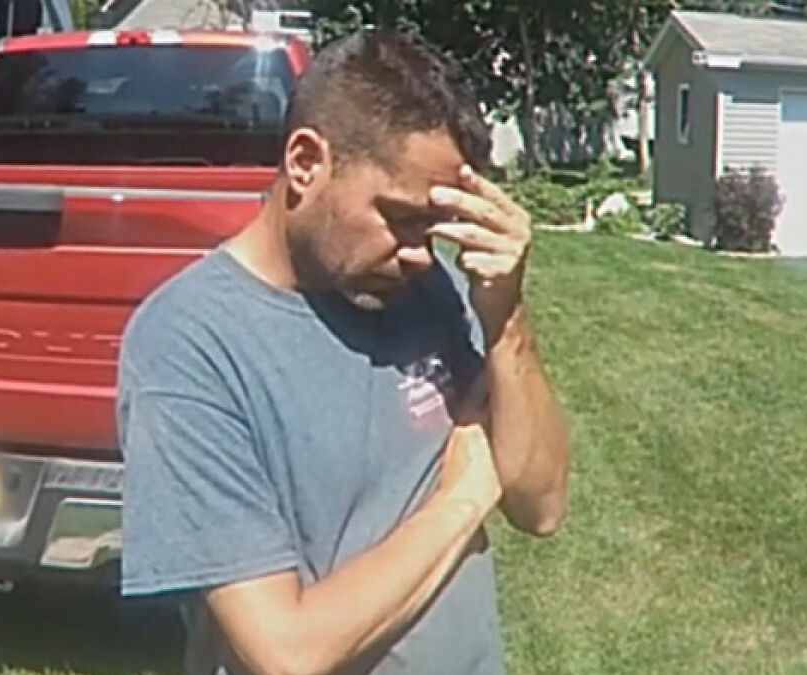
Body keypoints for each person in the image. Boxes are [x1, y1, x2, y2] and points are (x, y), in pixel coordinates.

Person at [117, 29, 571, 675]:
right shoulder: (190, 339)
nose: (421, 252)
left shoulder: (424, 287)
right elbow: (287, 650)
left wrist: (506, 318)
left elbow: (542, 504)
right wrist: (464, 499)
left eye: (433, 227)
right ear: (305, 162)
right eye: (399, 216)